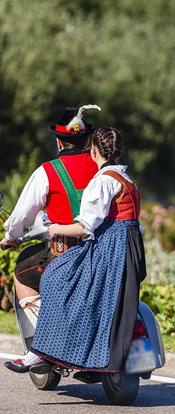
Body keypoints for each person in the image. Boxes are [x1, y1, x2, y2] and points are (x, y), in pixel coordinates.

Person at [6, 127, 146, 373]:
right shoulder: (125, 178)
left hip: (102, 249)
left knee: (51, 277)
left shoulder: (95, 179)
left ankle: (45, 350)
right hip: (128, 250)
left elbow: (84, 226)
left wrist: (45, 231)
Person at [1, 105, 101, 372]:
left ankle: (45, 344)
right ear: (88, 140)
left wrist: (10, 237)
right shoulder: (104, 169)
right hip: (102, 254)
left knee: (23, 273)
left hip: (63, 254)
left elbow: (22, 216)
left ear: (59, 142)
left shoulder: (48, 171)